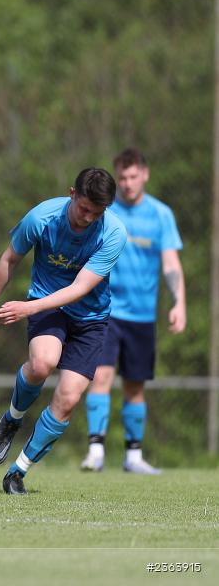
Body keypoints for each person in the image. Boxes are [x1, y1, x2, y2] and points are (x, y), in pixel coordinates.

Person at [0, 168, 127, 495]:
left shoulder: (114, 233)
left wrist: (26, 308)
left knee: (69, 397)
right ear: (72, 193)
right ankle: (12, 420)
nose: (87, 218)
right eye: (83, 208)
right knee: (43, 364)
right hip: (49, 308)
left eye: (96, 212)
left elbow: (80, 288)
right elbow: (9, 259)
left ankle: (19, 471)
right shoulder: (42, 218)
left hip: (90, 318)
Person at [81, 148, 186, 475]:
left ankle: (133, 456)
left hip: (143, 315)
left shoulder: (161, 215)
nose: (127, 183)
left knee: (135, 385)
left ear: (145, 174)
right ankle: (95, 451)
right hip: (106, 309)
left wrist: (179, 301)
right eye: (122, 177)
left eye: (132, 176)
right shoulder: (106, 213)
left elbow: (170, 263)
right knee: (100, 376)